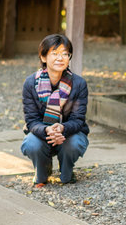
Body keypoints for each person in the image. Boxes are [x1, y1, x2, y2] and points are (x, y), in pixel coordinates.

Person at [21, 34, 90, 187]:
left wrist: (62, 128)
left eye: (65, 53)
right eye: (55, 53)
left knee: (74, 143)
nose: (60, 58)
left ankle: (67, 172)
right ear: (43, 56)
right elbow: (31, 121)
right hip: (41, 133)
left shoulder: (79, 84)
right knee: (31, 143)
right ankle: (42, 171)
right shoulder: (30, 83)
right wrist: (48, 130)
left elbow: (78, 120)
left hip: (69, 134)